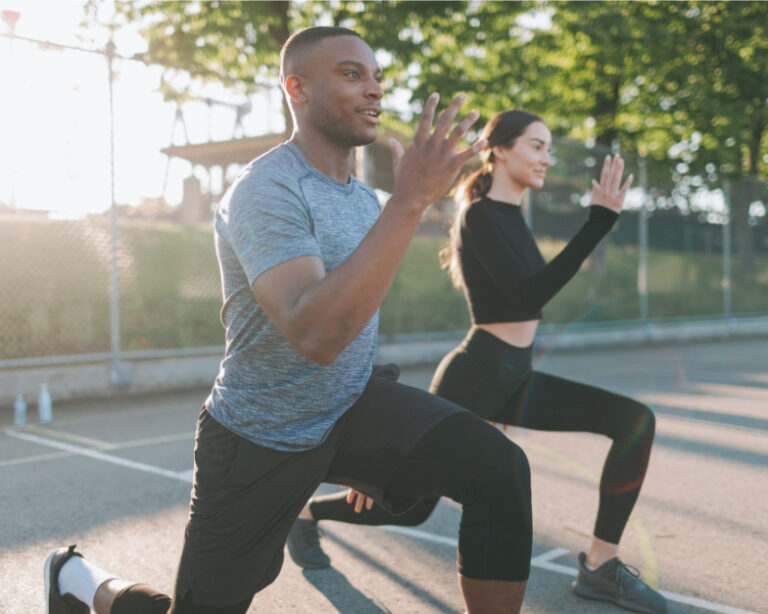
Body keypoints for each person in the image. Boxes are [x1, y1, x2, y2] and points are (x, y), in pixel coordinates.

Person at [44, 27, 535, 614]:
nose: (373, 89)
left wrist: (378, 445)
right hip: (260, 437)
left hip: (350, 410)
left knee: (499, 470)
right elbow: (315, 334)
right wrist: (411, 201)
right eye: (352, 74)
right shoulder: (264, 190)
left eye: (376, 77)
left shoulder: (360, 200)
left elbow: (355, 318)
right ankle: (78, 580)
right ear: (295, 87)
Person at [289, 110, 669, 614]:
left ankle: (600, 566)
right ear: (501, 149)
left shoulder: (511, 218)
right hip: (476, 376)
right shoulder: (480, 216)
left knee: (634, 421)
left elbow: (530, 296)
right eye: (537, 145)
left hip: (516, 376)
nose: (546, 158)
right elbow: (529, 295)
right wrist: (598, 221)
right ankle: (306, 514)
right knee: (408, 508)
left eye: (549, 148)